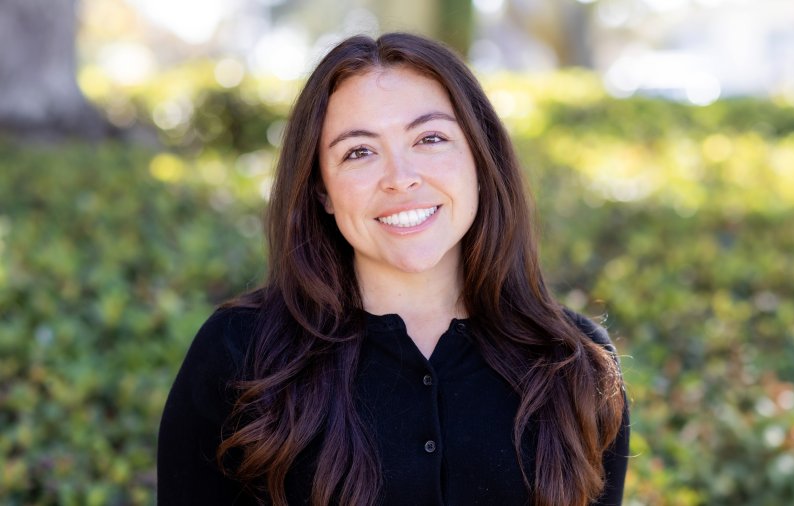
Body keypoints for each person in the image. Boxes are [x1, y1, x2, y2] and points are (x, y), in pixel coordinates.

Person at [157, 32, 629, 506]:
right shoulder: (240, 354)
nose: (401, 179)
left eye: (430, 138)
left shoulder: (574, 362)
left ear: (480, 159)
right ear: (321, 189)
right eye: (359, 152)